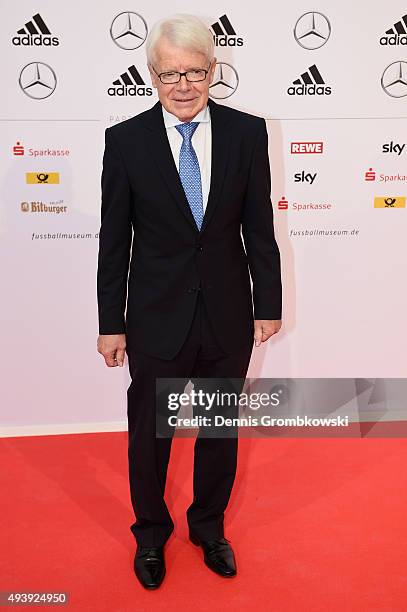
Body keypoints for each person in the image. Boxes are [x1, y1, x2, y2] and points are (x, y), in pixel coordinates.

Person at [96, 13, 282, 590]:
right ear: (152, 75)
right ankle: (150, 534)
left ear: (213, 72)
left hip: (226, 315)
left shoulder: (248, 134)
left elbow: (259, 226)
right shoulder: (125, 141)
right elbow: (114, 240)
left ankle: (207, 526)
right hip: (154, 319)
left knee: (218, 431)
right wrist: (111, 323)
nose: (183, 85)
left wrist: (267, 303)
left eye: (195, 72)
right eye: (170, 74)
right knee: (150, 437)